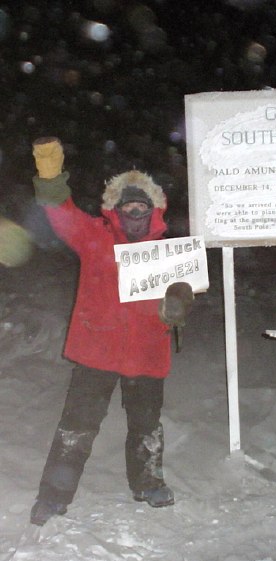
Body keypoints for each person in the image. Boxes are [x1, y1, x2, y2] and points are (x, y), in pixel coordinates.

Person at [30, 137, 194, 526]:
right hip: (96, 350)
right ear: (115, 209)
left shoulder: (166, 251)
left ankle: (148, 482)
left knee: (146, 428)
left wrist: (180, 302)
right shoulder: (94, 236)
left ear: (153, 209)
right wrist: (49, 168)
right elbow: (59, 211)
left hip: (147, 352)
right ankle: (54, 497)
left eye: (142, 206)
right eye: (127, 205)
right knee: (76, 429)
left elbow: (185, 292)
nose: (135, 211)